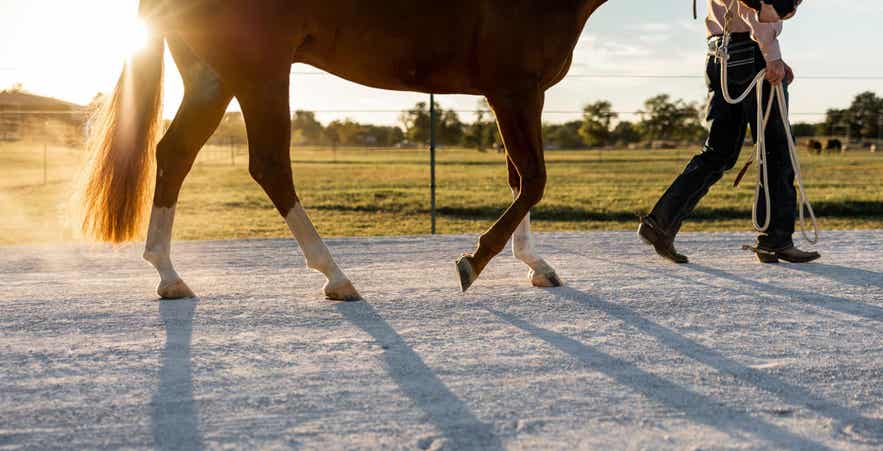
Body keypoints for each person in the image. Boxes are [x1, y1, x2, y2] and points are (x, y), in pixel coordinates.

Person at [639, 0, 819, 264]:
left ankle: (660, 223)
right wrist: (772, 56)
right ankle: (775, 239)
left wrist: (770, 55)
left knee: (718, 152)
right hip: (749, 51)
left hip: (719, 55)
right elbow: (754, 10)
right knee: (777, 150)